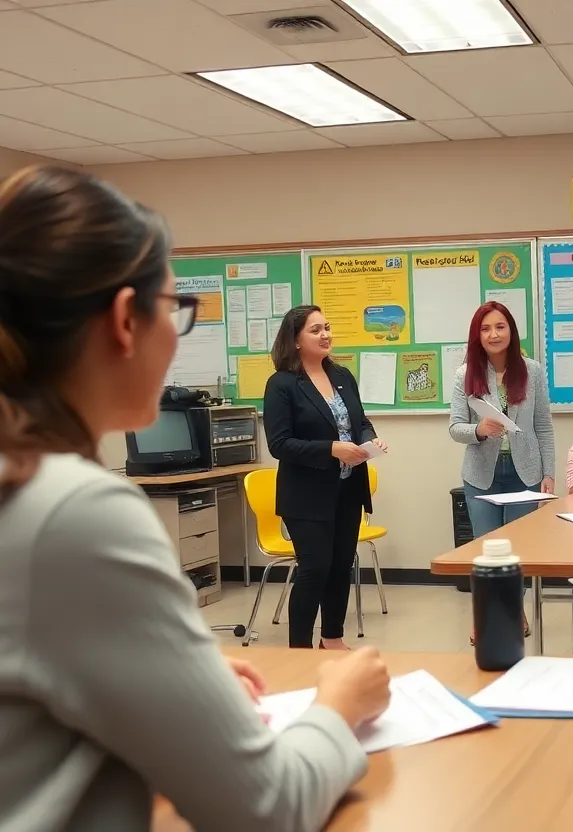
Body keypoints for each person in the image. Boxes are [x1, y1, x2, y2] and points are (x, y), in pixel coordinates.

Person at [0, 165, 391, 831]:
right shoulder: (77, 512)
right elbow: (268, 806)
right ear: (127, 320)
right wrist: (338, 705)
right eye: (176, 309)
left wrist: (169, 677)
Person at [264, 305, 388, 650]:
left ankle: (332, 638)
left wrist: (369, 439)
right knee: (314, 569)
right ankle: (299, 650)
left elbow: (360, 421)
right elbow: (280, 444)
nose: (325, 335)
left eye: (327, 327)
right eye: (315, 330)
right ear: (296, 340)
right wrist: (332, 449)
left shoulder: (342, 376)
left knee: (340, 567)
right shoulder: (282, 385)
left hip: (348, 489)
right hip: (306, 494)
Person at [449, 301, 555, 640]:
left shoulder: (533, 370)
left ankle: (513, 610)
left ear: (511, 330)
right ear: (477, 336)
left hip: (526, 472)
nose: (493, 334)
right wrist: (479, 429)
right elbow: (454, 428)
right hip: (482, 473)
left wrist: (549, 473)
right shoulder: (464, 374)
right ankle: (483, 615)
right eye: (485, 329)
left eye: (500, 327)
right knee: (486, 549)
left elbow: (544, 426)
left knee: (519, 549)